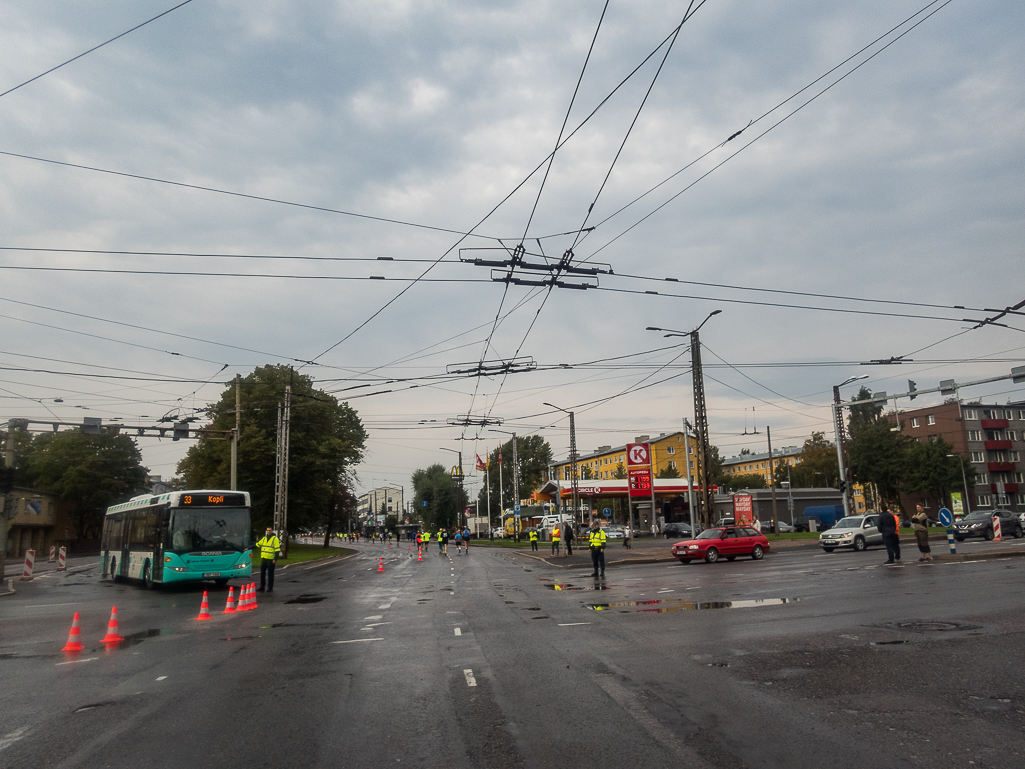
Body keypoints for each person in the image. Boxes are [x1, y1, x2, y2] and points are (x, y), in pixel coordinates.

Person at [255, 527, 281, 592]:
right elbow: (257, 544)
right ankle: (262, 586)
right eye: (267, 530)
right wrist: (248, 547)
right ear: (266, 531)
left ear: (272, 531)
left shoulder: (275, 539)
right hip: (264, 559)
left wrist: (275, 559)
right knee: (262, 573)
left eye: (270, 530)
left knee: (270, 574)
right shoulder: (264, 538)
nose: (268, 531)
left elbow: (277, 550)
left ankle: (270, 587)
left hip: (270, 559)